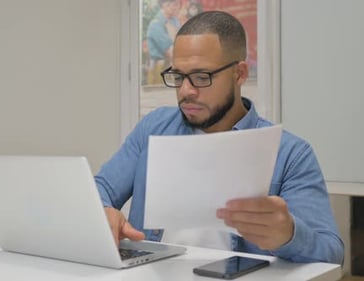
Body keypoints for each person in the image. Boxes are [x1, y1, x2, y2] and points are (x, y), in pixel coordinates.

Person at [95, 11, 344, 264]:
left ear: (239, 74)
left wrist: (289, 234)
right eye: (178, 76)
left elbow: (332, 254)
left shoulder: (290, 153)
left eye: (202, 77)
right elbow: (101, 187)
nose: (186, 91)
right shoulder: (154, 127)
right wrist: (102, 211)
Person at [146, 0, 181, 85]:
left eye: (175, 4)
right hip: (160, 68)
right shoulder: (156, 24)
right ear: (164, 5)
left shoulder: (175, 20)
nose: (174, 7)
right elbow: (169, 51)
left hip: (173, 64)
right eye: (172, 5)